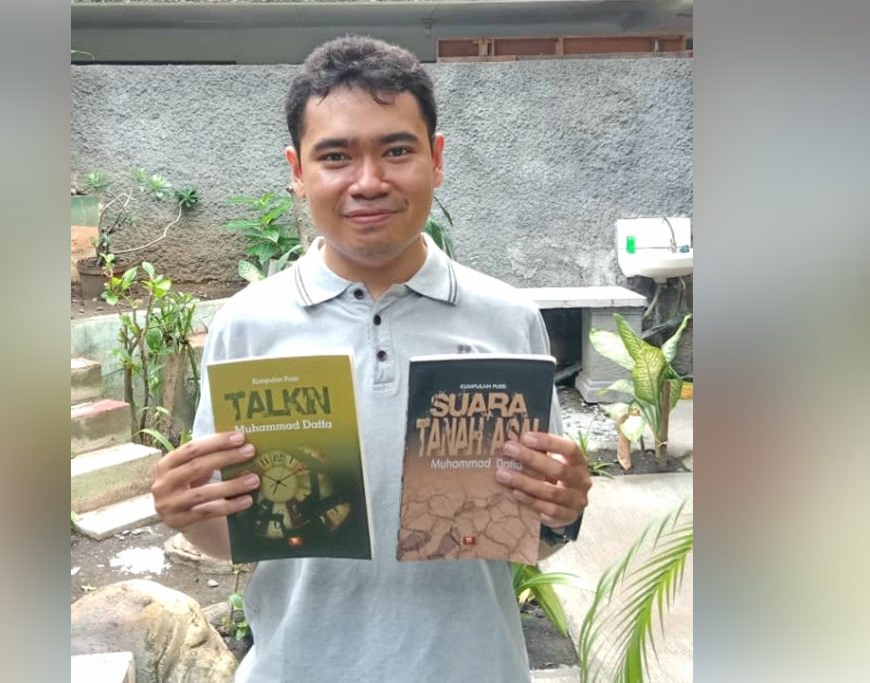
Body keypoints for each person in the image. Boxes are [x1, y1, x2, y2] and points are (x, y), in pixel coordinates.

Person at [152, 35, 591, 682]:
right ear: (298, 172)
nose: (369, 181)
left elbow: (532, 531)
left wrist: (562, 511)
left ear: (436, 159)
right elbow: (238, 538)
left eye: (396, 150)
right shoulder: (248, 327)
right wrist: (187, 516)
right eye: (335, 156)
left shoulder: (508, 320)